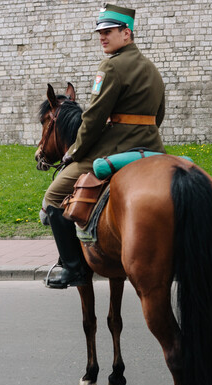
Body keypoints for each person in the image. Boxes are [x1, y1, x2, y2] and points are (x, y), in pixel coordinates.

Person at [43, 3, 166, 288]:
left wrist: (74, 152)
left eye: (109, 32)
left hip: (115, 150)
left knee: (52, 196)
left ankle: (73, 269)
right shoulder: (152, 68)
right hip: (152, 149)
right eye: (100, 32)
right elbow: (158, 116)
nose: (102, 37)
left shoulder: (110, 67)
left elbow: (94, 119)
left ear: (127, 33)